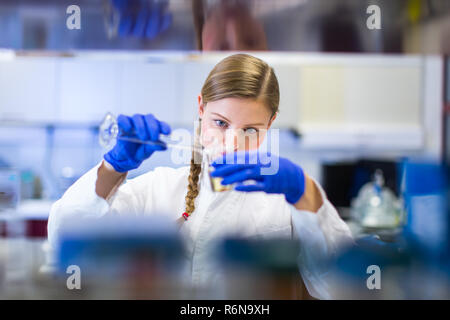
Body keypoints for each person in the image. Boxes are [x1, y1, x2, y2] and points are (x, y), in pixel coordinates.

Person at [48, 53, 353, 299]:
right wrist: (113, 167)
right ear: (201, 108)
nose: (232, 143)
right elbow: (66, 238)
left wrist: (306, 194)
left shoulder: (284, 200)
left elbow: (338, 286)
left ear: (270, 123)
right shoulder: (159, 188)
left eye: (250, 130)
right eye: (220, 123)